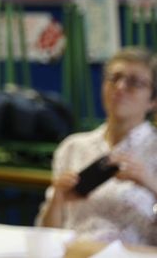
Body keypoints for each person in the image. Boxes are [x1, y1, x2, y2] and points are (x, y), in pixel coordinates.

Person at [36, 46, 157, 245]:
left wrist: (150, 183)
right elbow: (45, 239)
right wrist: (58, 198)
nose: (120, 87)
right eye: (114, 78)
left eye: (134, 83)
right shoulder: (73, 147)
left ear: (153, 101)